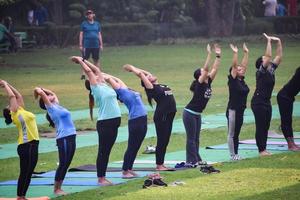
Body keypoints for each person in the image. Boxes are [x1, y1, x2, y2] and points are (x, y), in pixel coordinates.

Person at [70, 56, 121, 185]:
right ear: (92, 82)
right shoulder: (96, 89)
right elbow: (89, 72)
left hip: (114, 122)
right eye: (95, 77)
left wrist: (82, 59)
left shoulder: (103, 84)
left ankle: (103, 176)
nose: (98, 75)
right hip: (105, 123)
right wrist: (81, 62)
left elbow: (96, 69)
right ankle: (101, 178)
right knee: (103, 151)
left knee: (108, 151)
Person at [123, 64, 176, 171]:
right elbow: (142, 74)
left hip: (169, 115)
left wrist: (134, 69)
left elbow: (145, 73)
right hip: (162, 116)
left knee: (166, 140)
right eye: (147, 77)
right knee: (162, 140)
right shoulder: (151, 87)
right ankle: (159, 165)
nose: (150, 75)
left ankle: (161, 163)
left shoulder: (159, 85)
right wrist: (132, 68)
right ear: (147, 82)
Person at [182, 44, 221, 168]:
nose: (207, 72)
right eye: (204, 72)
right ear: (200, 76)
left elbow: (215, 69)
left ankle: (197, 159)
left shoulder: (208, 81)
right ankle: (191, 161)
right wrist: (209, 54)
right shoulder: (199, 83)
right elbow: (206, 68)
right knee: (191, 139)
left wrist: (218, 55)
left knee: (196, 139)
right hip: (189, 113)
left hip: (197, 114)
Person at [102, 73, 147, 178]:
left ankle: (129, 169)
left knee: (136, 146)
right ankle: (125, 171)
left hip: (142, 119)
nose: (119, 84)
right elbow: (110, 79)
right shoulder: (121, 92)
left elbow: (117, 78)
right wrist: (98, 74)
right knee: (132, 146)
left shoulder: (126, 90)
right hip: (136, 121)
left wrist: (103, 73)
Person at [1, 80, 39, 200]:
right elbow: (12, 96)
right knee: (25, 172)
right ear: (10, 110)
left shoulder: (21, 110)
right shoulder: (14, 114)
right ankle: (20, 196)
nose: (13, 103)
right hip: (26, 146)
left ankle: (22, 196)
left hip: (34, 144)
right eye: (10, 105)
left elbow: (18, 96)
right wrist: (5, 85)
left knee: (29, 172)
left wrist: (8, 83)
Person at [34, 87, 76, 195]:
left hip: (71, 136)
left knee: (67, 164)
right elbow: (39, 92)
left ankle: (59, 188)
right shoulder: (51, 108)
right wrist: (39, 91)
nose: (50, 95)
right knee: (63, 164)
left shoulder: (57, 105)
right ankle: (56, 189)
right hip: (63, 138)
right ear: (46, 100)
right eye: (47, 96)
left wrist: (45, 90)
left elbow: (53, 93)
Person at [251, 33, 282, 156]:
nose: (267, 59)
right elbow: (269, 56)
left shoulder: (270, 70)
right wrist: (268, 41)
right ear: (261, 63)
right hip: (258, 102)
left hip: (266, 101)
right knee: (261, 125)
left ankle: (264, 148)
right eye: (264, 59)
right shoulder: (261, 72)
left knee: (266, 125)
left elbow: (279, 56)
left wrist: (278, 41)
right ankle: (261, 150)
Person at [226, 43, 250, 161]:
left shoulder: (241, 81)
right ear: (234, 72)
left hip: (240, 110)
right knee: (232, 134)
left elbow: (243, 66)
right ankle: (232, 155)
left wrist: (246, 53)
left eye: (242, 69)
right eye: (238, 69)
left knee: (237, 133)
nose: (241, 69)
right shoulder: (233, 80)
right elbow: (235, 66)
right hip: (233, 110)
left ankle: (236, 154)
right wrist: (235, 53)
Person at [277, 67, 300, 151]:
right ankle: (290, 145)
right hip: (284, 97)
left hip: (289, 97)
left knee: (288, 120)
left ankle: (293, 143)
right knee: (286, 120)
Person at [79, 9, 103, 79]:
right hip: (87, 44)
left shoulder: (97, 24)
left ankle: (98, 73)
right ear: (87, 16)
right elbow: (81, 34)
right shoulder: (84, 24)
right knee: (84, 60)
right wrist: (80, 44)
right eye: (88, 14)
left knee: (96, 59)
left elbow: (99, 34)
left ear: (93, 15)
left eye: (91, 14)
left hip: (96, 44)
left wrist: (101, 44)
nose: (90, 15)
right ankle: (83, 74)